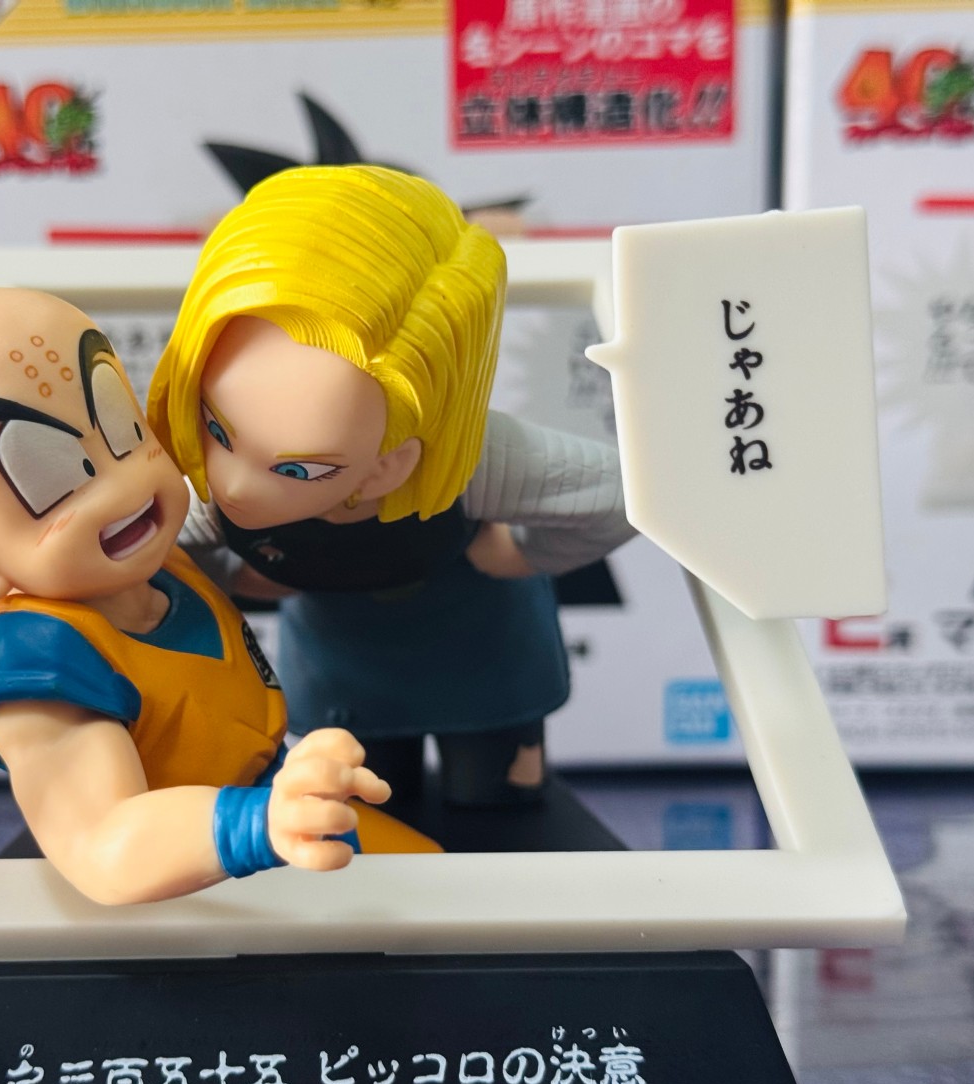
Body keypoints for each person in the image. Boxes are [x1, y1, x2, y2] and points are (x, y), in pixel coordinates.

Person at [0, 287, 433, 906]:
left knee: (445, 882)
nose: (125, 482)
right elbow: (105, 842)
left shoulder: (159, 565)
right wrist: (260, 824)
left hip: (280, 807)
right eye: (49, 475)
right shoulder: (35, 659)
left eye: (122, 429)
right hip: (199, 878)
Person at [147, 165, 633, 808]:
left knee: (493, 801)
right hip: (341, 660)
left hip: (479, 648)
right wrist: (233, 577)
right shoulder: (209, 496)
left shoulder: (474, 460)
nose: (231, 484)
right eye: (218, 430)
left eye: (298, 469)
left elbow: (619, 495)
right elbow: (166, 549)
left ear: (390, 464)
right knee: (371, 805)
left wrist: (523, 553)